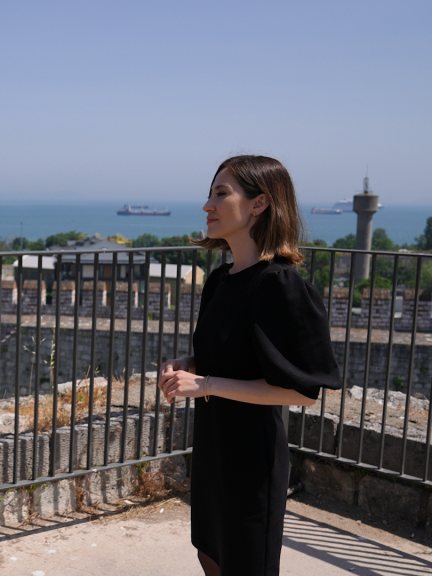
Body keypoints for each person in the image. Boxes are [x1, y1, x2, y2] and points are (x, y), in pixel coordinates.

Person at [158, 155, 341, 576]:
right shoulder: (220, 281)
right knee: (210, 555)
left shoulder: (280, 284)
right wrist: (188, 363)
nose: (208, 205)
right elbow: (235, 355)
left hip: (250, 463)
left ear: (259, 204)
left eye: (221, 194)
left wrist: (204, 383)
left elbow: (301, 392)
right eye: (210, 193)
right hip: (212, 450)